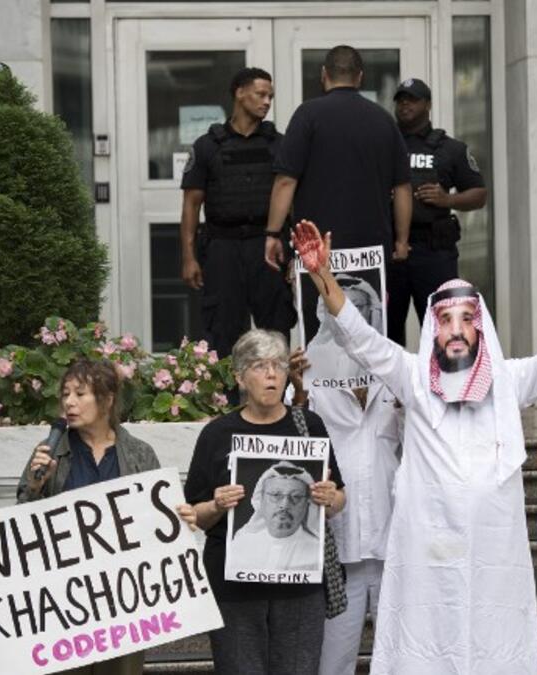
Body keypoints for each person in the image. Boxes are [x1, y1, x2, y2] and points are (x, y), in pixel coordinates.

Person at [293, 219, 537, 675]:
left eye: (467, 318)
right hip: (428, 555)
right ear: (433, 328)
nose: (457, 329)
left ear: (481, 327)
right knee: (425, 651)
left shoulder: (509, 380)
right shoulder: (412, 378)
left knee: (493, 648)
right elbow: (359, 337)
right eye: (446, 320)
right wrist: (322, 276)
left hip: (493, 556)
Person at [18, 359, 195, 675]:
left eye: (80, 394)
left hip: (124, 601)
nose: (69, 402)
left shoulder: (139, 454)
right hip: (65, 601)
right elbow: (22, 528)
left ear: (108, 399)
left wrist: (179, 519)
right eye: (66, 393)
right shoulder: (50, 452)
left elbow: (158, 522)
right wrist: (35, 486)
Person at [184, 329, 346, 675]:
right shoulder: (217, 434)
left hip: (300, 589)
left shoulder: (309, 425)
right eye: (259, 366)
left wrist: (329, 498)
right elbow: (194, 515)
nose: (271, 374)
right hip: (235, 589)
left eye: (278, 365)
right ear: (240, 377)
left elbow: (338, 499)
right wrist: (216, 505)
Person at [287, 347, 403, 675]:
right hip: (339, 552)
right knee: (333, 662)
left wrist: (406, 402)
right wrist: (298, 390)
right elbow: (289, 436)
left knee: (401, 658)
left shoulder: (394, 375)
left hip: (392, 546)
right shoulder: (312, 380)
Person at [181, 67, 295, 357]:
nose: (267, 101)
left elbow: (292, 200)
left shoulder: (279, 144)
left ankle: (276, 400)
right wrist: (189, 257)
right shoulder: (208, 146)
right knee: (222, 332)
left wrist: (293, 255)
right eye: (260, 94)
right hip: (222, 249)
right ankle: (228, 402)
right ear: (239, 93)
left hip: (266, 249)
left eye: (270, 96)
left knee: (275, 330)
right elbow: (192, 204)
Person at [264, 46, 412, 270]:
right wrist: (401, 241)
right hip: (371, 251)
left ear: (324, 74)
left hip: (317, 249)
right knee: (367, 304)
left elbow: (286, 180)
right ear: (360, 77)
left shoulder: (307, 115)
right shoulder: (384, 120)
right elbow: (403, 187)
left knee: (320, 306)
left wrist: (273, 234)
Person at [387, 78, 487, 345]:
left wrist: (446, 200)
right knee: (386, 334)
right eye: (401, 99)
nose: (405, 104)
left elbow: (479, 195)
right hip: (391, 253)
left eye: (413, 99)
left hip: (434, 251)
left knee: (439, 330)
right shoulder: (384, 145)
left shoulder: (450, 149)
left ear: (428, 105)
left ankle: (440, 386)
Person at [227, 461, 321, 572]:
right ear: (260, 500)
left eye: (296, 496)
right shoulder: (241, 543)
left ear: (307, 504)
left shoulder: (317, 550)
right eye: (276, 495)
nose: (284, 505)